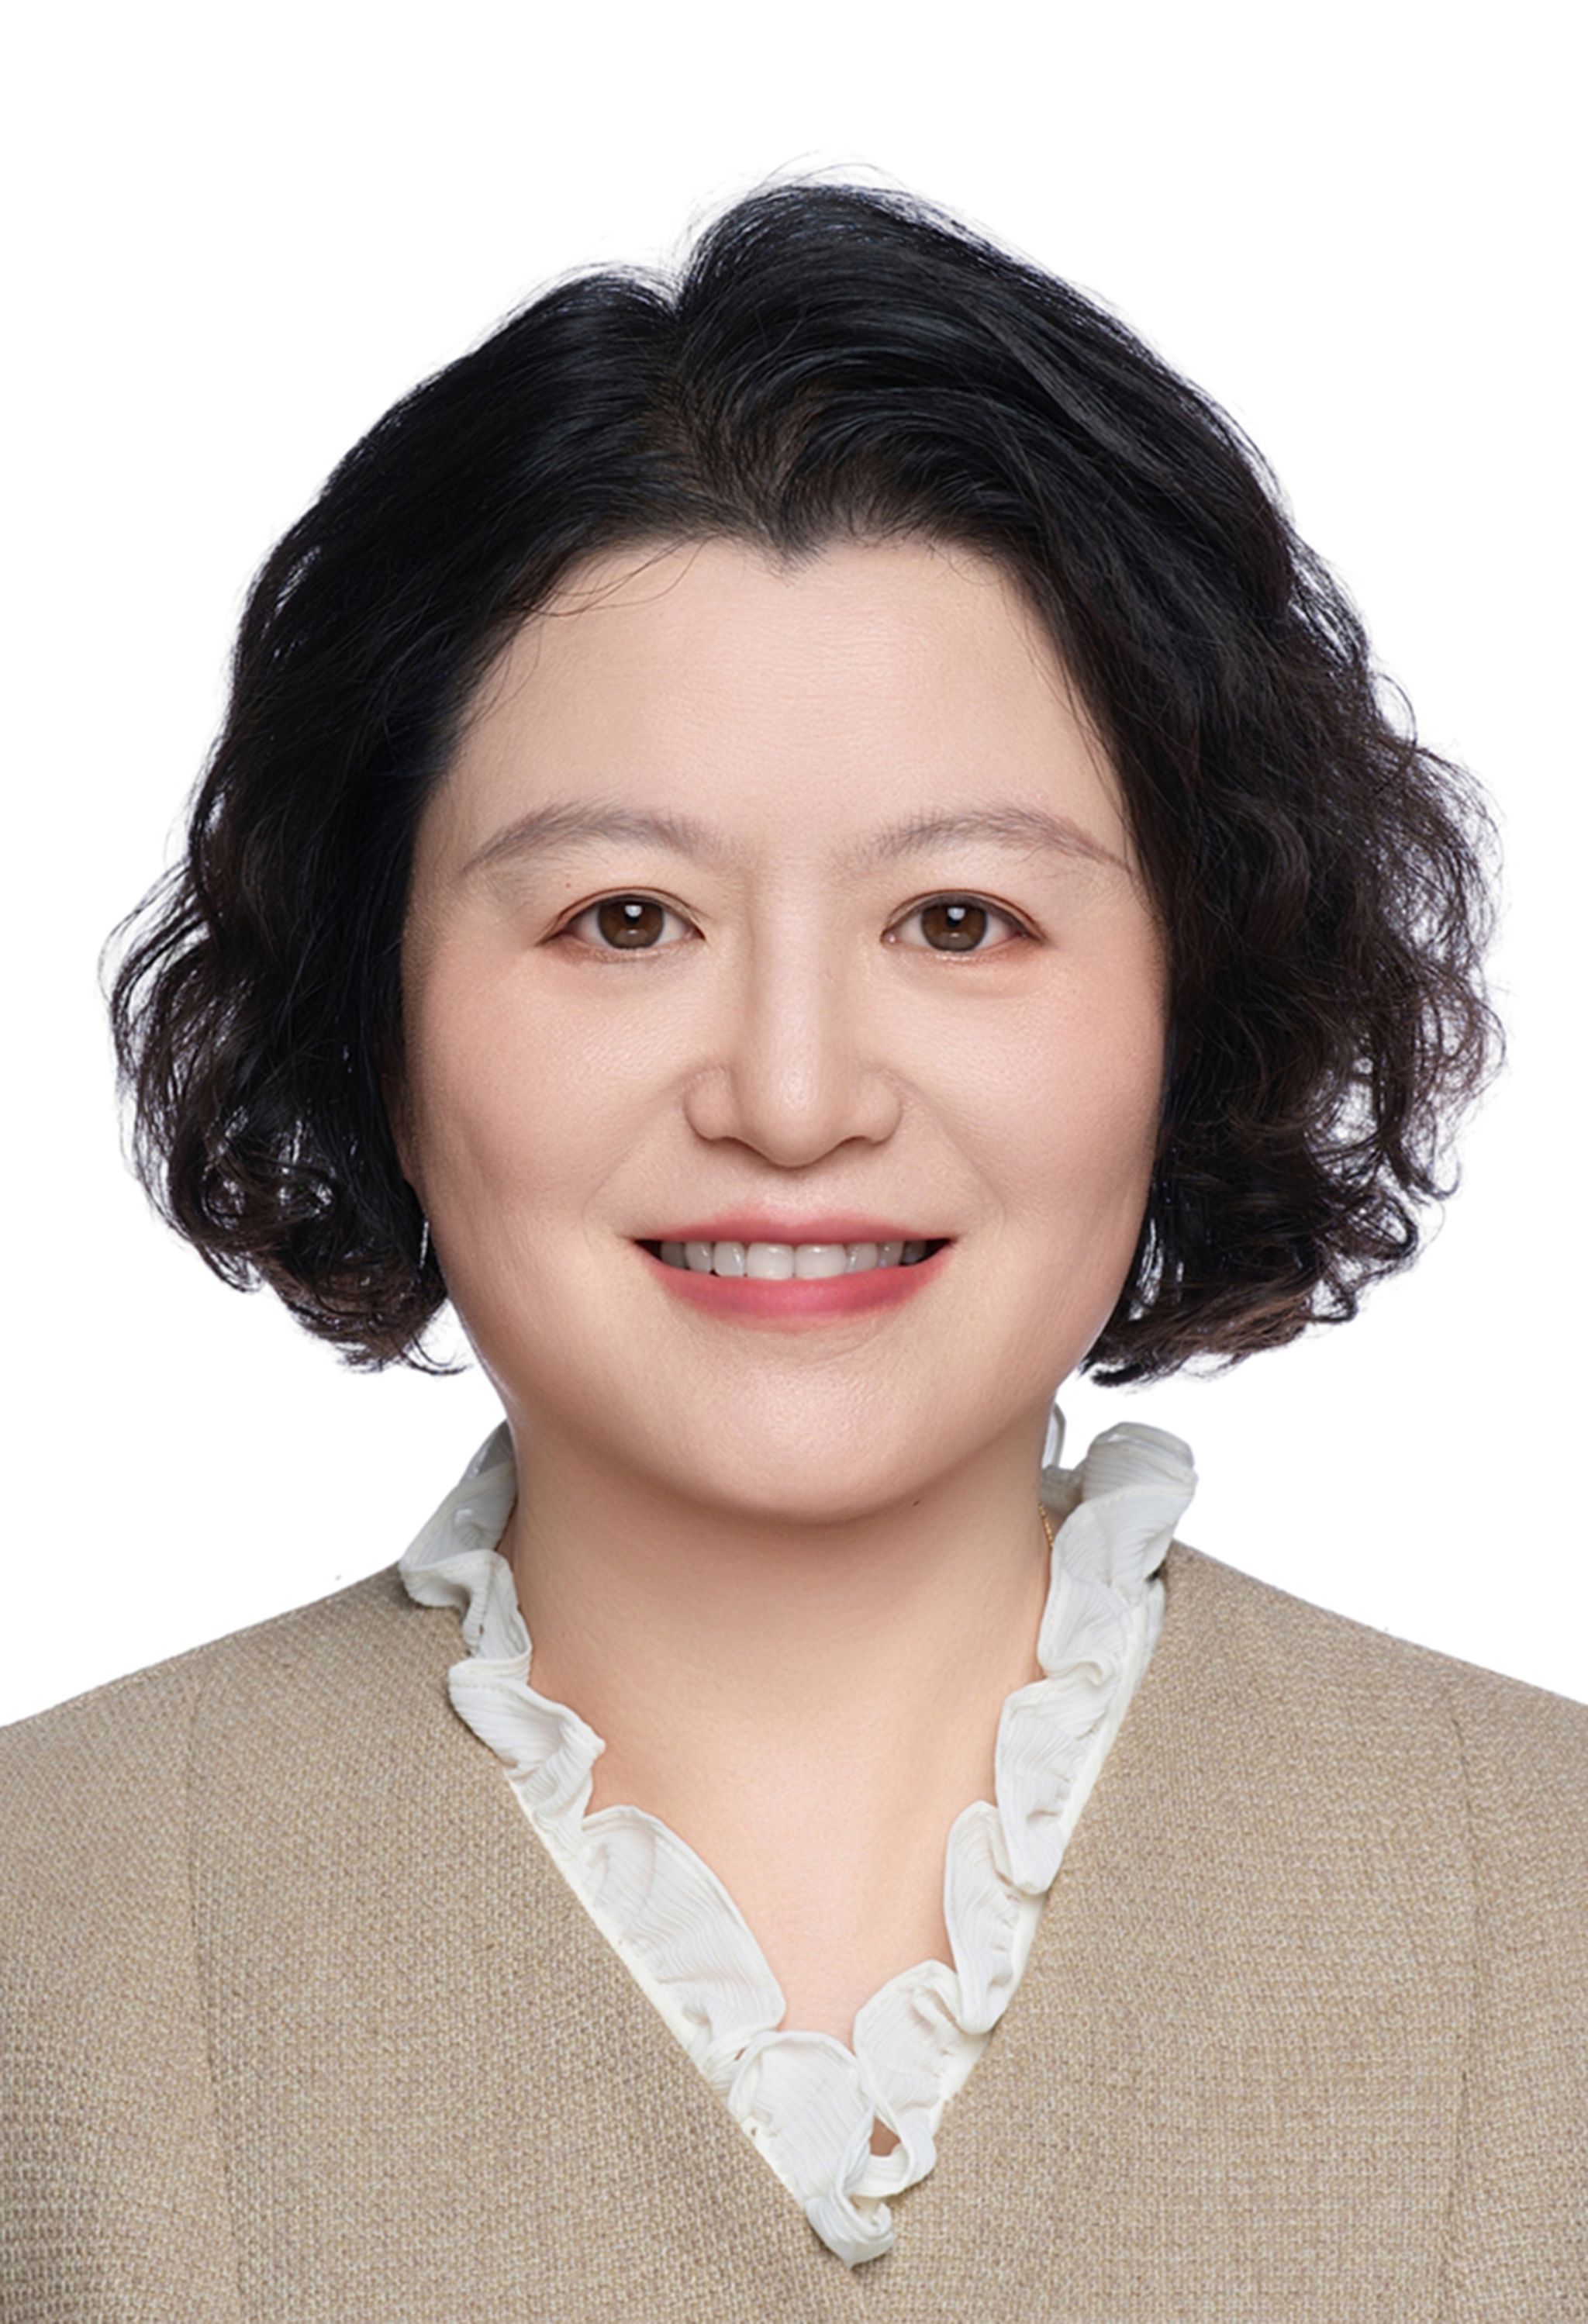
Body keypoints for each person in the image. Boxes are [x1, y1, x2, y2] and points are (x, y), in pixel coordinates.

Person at [2, 176, 1583, 2319]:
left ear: (1192, 997)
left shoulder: (1553, 1905)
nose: (796, 1092)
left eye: (961, 920)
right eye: (624, 920)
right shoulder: (44, 1937)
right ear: (376, 1015)